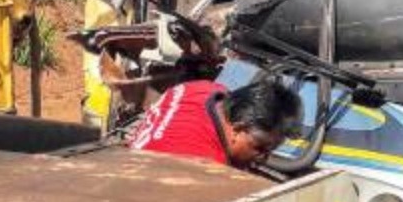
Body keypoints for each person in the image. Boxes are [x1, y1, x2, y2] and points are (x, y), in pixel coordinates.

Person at [128, 75, 301, 168]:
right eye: (260, 148)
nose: (264, 159)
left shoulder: (205, 88)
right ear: (237, 129)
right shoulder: (204, 166)